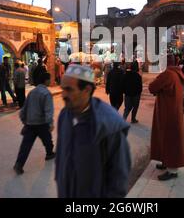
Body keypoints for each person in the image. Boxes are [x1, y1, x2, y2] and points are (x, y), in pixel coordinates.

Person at [55, 65, 131, 198]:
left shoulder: (109, 124)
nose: (63, 95)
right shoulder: (65, 115)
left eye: (69, 90)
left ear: (87, 90)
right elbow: (61, 155)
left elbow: (119, 178)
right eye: (63, 89)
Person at [149, 54, 184, 181]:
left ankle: (172, 170)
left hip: (168, 113)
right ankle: (166, 162)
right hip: (173, 111)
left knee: (170, 139)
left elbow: (152, 87)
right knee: (167, 138)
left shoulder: (168, 74)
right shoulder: (177, 73)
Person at [14, 72, 55, 174]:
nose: (50, 81)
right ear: (46, 80)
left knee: (25, 145)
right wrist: (50, 123)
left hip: (30, 123)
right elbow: (48, 111)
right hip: (41, 123)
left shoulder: (32, 92)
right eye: (49, 79)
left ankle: (19, 164)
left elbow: (24, 109)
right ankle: (49, 153)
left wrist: (24, 121)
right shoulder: (46, 93)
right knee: (48, 140)